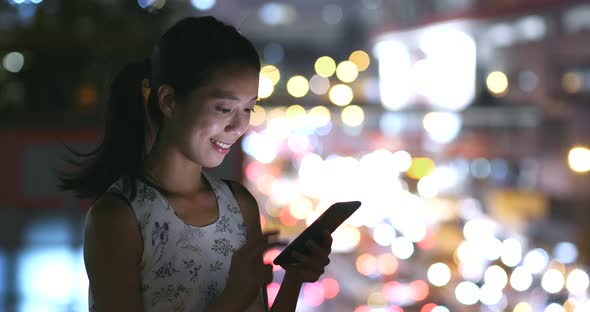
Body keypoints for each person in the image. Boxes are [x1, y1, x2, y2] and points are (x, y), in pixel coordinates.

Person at [59, 16, 333, 312]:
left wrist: (294, 278)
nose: (239, 126)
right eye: (224, 108)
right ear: (169, 101)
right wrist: (232, 299)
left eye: (248, 108)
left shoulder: (239, 206)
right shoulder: (119, 217)